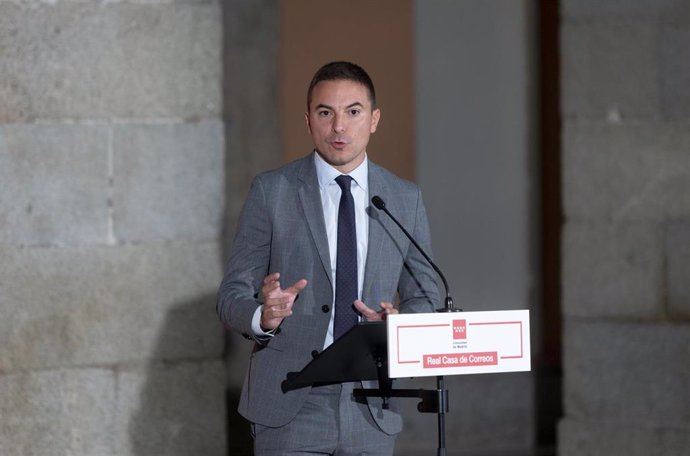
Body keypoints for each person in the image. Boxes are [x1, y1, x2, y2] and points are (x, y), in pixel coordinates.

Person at [217, 61, 440, 455]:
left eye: (353, 112)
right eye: (326, 112)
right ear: (308, 120)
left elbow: (428, 294)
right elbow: (232, 295)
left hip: (371, 401)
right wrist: (262, 316)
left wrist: (400, 327)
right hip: (291, 400)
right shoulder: (273, 191)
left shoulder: (404, 199)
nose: (339, 126)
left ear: (373, 119)